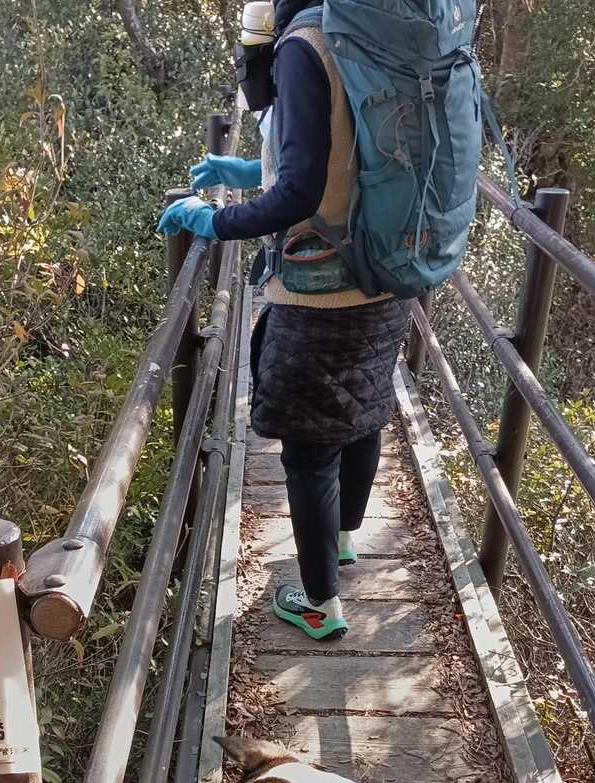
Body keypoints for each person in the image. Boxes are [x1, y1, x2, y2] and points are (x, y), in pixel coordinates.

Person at [158, 0, 409, 643]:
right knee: (363, 410)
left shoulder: (304, 45)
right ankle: (342, 540)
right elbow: (346, 150)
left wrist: (215, 219)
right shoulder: (369, 27)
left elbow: (300, 190)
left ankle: (321, 604)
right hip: (391, 264)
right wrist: (249, 171)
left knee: (309, 446)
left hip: (324, 284)